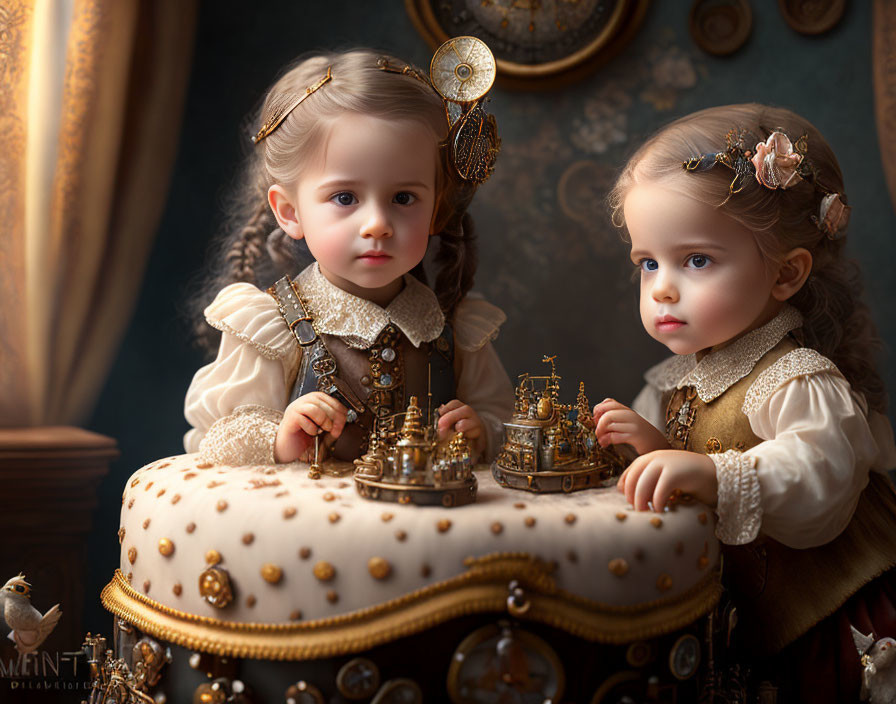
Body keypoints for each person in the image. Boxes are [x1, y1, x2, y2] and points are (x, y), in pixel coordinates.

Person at [592, 103, 896, 701]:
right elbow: (672, 470)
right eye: (648, 263)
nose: (662, 288)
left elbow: (819, 480)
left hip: (831, 622)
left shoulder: (796, 379)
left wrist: (712, 473)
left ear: (785, 274)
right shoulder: (673, 380)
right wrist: (652, 449)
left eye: (696, 260)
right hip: (745, 628)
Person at [183, 48, 514, 467]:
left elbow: (507, 420)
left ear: (437, 210)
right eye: (345, 197)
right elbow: (216, 437)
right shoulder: (271, 327)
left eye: (403, 198)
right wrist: (282, 437)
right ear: (290, 211)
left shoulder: (455, 326)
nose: (377, 223)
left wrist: (481, 430)